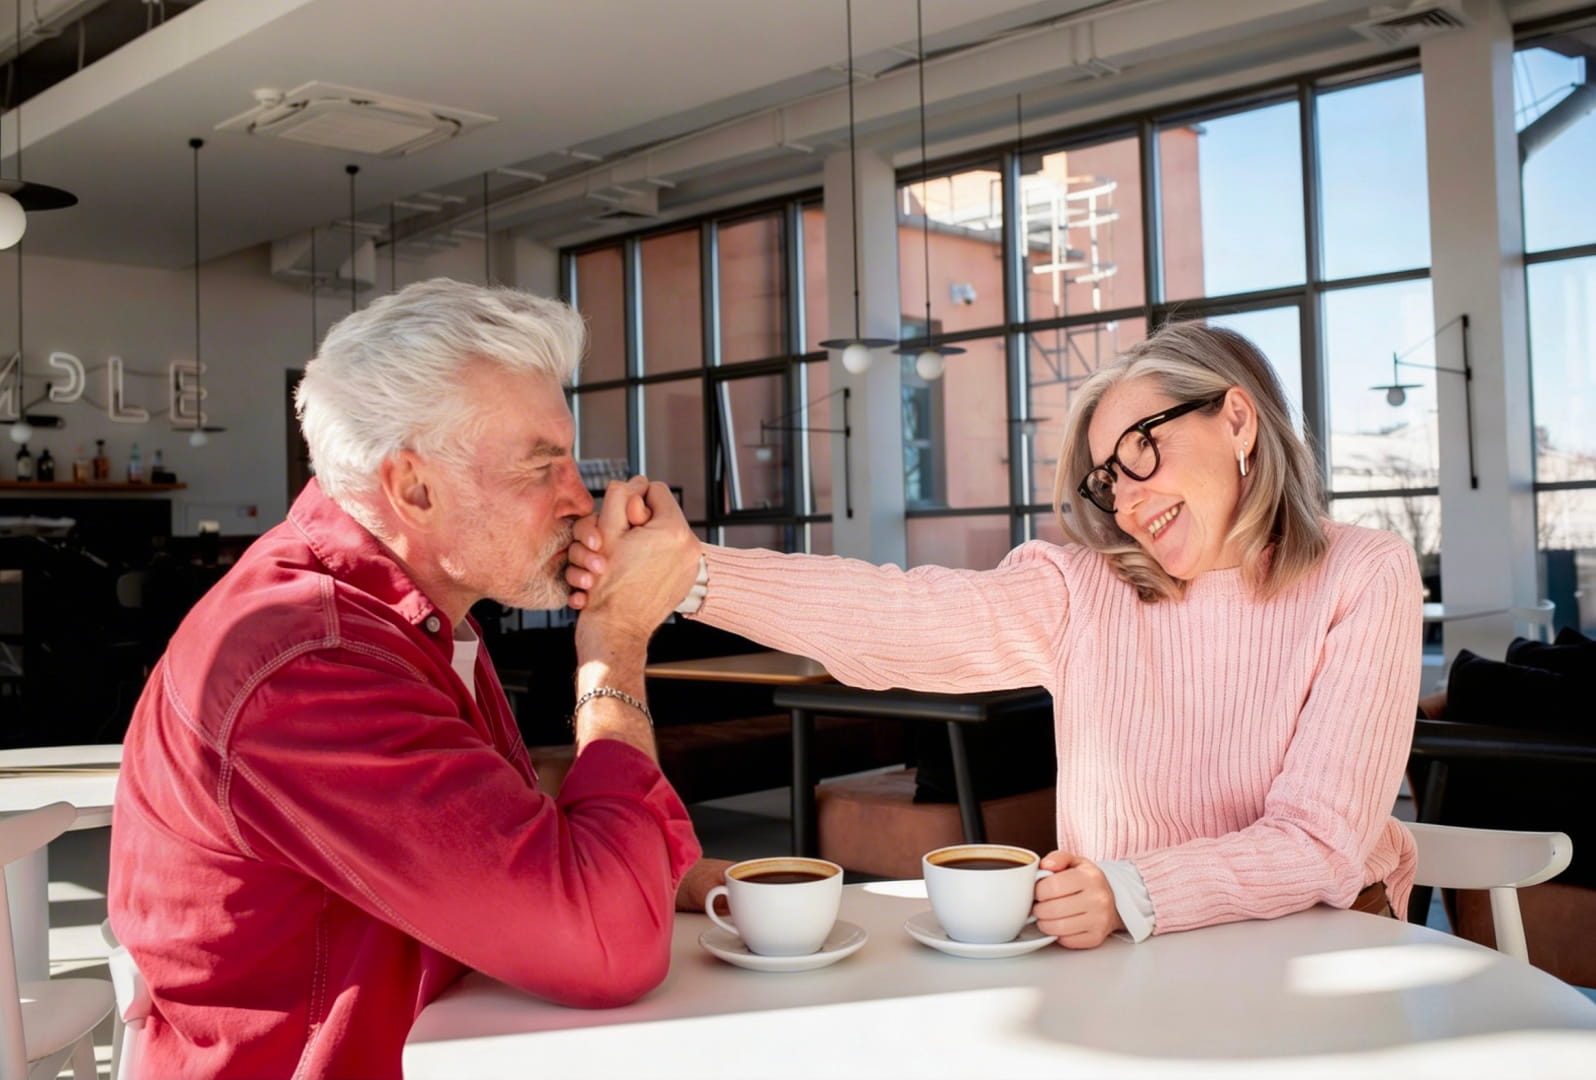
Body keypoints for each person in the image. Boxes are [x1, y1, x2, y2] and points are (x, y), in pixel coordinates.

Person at [568, 322, 1423, 948]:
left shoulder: (1365, 575)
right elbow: (900, 617)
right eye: (1104, 482)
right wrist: (689, 573)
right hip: (1125, 950)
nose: (1123, 501)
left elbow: (1319, 841)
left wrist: (1134, 891)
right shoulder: (1085, 588)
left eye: (1139, 453)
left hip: (1317, 947)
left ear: (1237, 420)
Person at [108, 279, 718, 1080]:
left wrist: (685, 881)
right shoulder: (312, 664)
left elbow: (531, 863)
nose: (580, 499)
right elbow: (611, 945)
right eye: (543, 467)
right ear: (414, 489)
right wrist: (616, 638)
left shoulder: (412, 613)